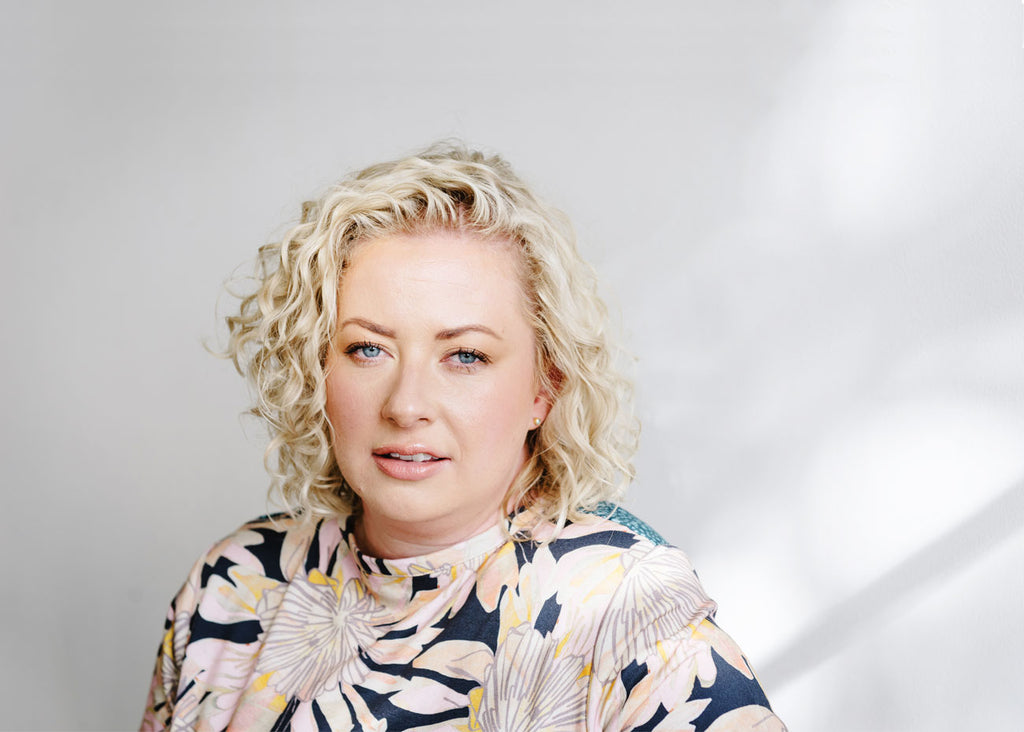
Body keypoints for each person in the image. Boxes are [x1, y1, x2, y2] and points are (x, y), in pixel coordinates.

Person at [141, 144, 785, 731]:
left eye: (466, 356)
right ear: (316, 367)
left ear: (544, 387)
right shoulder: (235, 583)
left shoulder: (624, 611)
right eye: (368, 349)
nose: (407, 403)